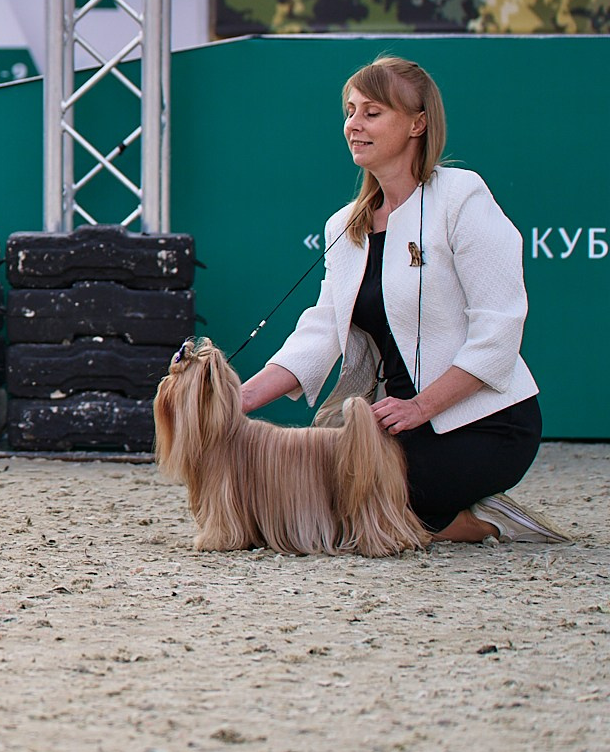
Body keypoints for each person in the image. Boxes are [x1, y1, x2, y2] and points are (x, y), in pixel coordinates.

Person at [238, 56, 569, 544]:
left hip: (485, 422)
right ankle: (451, 511)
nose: (354, 124)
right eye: (350, 111)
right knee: (321, 505)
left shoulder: (461, 196)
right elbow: (321, 330)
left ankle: (486, 522)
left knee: (367, 511)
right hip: (391, 425)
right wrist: (238, 399)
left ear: (418, 123)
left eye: (372, 112)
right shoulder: (344, 225)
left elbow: (499, 331)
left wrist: (420, 407)